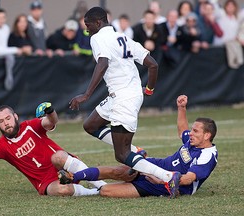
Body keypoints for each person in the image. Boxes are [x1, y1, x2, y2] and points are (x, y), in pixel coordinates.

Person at [69, 7, 181, 198]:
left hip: (124, 98)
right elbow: (153, 64)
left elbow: (102, 63)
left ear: (98, 23)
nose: (86, 29)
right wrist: (149, 89)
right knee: (90, 125)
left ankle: (168, 176)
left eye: (87, 25)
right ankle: (137, 150)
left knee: (121, 155)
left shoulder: (97, 38)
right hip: (123, 95)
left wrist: (86, 95)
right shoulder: (123, 37)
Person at [59, 95, 218, 198]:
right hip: (158, 165)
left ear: (207, 136)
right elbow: (182, 130)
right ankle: (74, 177)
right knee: (119, 171)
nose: (190, 133)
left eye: (195, 131)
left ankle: (91, 190)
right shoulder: (192, 141)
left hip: (165, 186)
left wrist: (161, 179)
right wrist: (181, 108)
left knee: (107, 191)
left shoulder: (207, 155)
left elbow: (188, 179)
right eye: (192, 130)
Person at [0, 102, 106, 196]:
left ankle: (102, 186)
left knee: (57, 156)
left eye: (8, 118)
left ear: (15, 116)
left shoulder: (30, 126)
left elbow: (51, 121)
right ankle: (94, 193)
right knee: (62, 191)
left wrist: (50, 110)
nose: (6, 123)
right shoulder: (1, 146)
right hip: (46, 182)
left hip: (64, 166)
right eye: (1, 121)